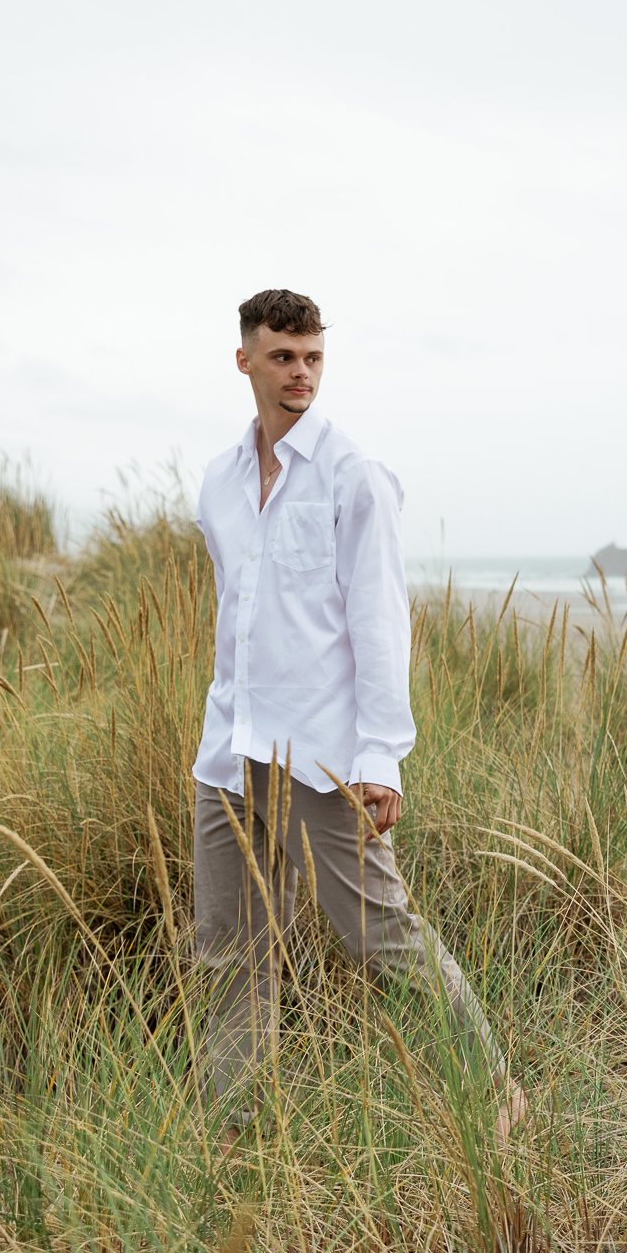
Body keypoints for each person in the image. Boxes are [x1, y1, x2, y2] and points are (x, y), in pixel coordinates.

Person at [190, 288, 522, 1140]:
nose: (300, 374)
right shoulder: (220, 484)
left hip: (323, 756)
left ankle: (494, 1097)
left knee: (381, 936)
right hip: (231, 751)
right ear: (245, 361)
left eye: (313, 358)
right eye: (282, 357)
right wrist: (219, 733)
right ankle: (235, 1129)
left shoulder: (354, 477)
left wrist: (382, 756)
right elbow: (239, 616)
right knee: (230, 950)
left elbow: (379, 624)